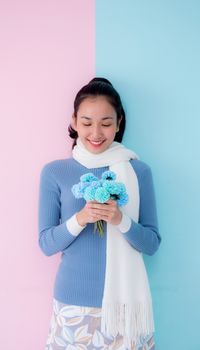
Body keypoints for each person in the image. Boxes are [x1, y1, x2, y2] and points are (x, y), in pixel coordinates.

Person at [38, 77, 161, 350]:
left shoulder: (139, 171)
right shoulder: (55, 172)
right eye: (87, 122)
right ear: (73, 121)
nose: (96, 132)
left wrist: (120, 220)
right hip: (73, 305)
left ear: (119, 123)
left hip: (126, 309)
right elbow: (46, 244)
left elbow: (152, 243)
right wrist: (81, 218)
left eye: (106, 123)